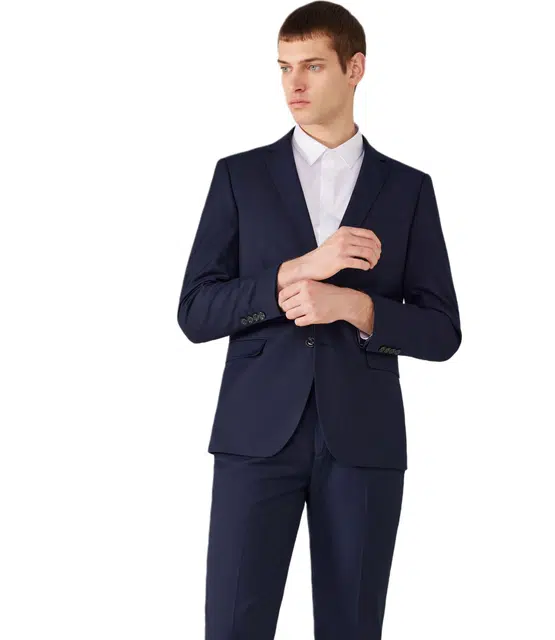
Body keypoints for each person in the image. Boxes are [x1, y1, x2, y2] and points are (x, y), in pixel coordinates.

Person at [177, 2, 462, 638]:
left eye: (312, 66)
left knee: (352, 628)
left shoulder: (407, 189)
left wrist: (356, 308)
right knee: (233, 626)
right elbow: (195, 311)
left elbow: (443, 331)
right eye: (284, 68)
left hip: (363, 440)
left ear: (355, 68)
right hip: (255, 437)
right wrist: (298, 272)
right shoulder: (240, 177)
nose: (294, 84)